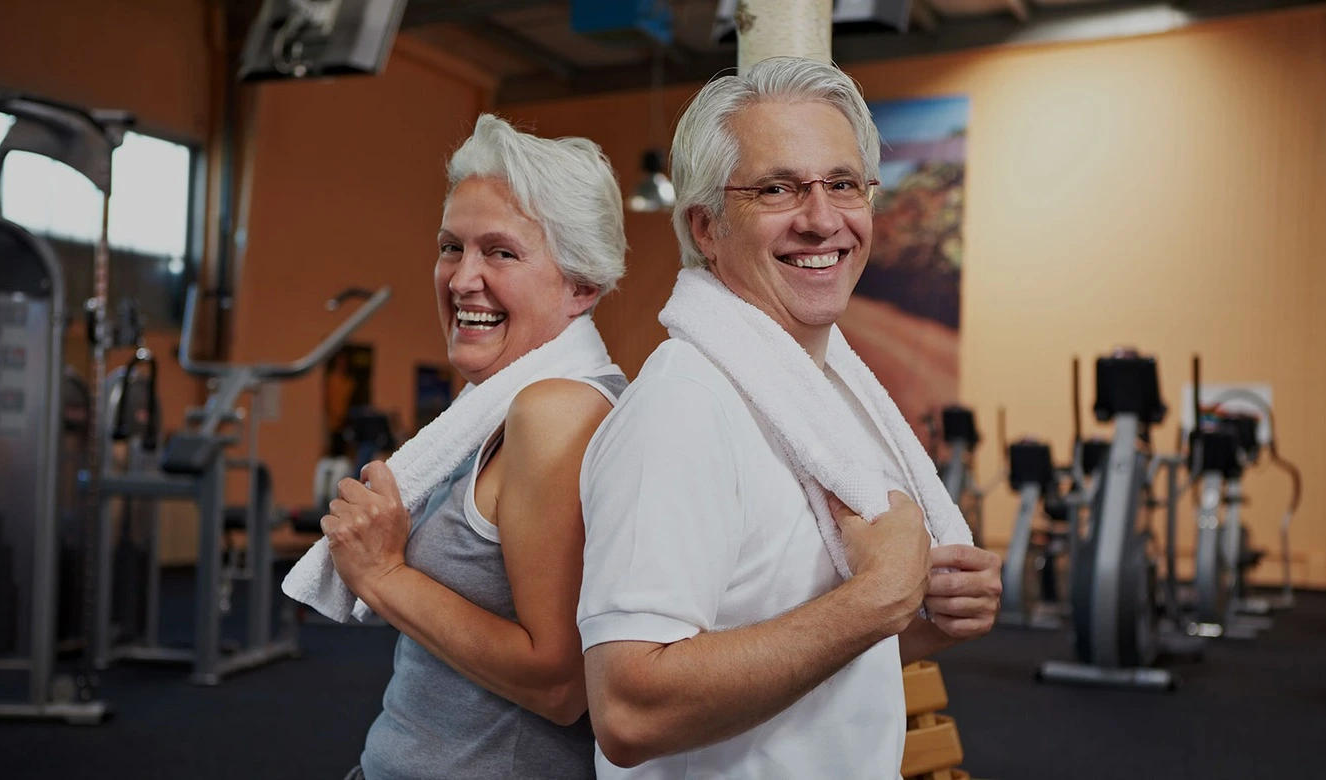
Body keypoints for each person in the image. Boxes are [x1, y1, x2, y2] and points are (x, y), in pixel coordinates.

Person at [576, 57, 1002, 778]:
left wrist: (929, 615)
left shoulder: (823, 396)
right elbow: (627, 708)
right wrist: (875, 598)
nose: (821, 219)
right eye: (777, 188)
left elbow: (794, 649)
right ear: (705, 228)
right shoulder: (682, 407)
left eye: (842, 184)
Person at [319, 114, 629, 780]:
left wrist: (383, 575)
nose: (461, 279)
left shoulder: (557, 412)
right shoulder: (490, 404)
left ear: (582, 286)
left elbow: (560, 684)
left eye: (500, 252)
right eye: (450, 247)